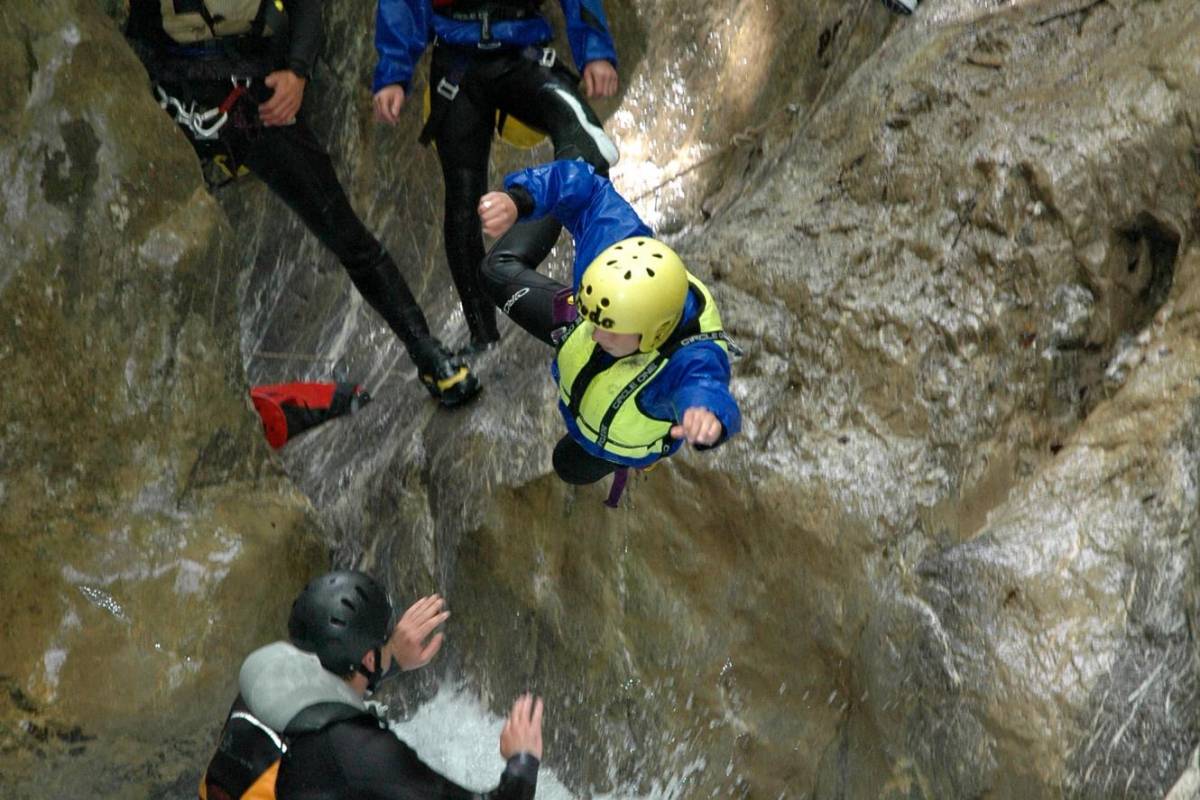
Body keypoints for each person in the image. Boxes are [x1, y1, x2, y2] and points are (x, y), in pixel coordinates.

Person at [124, 0, 480, 408]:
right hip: (175, 95)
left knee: (344, 230)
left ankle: (426, 350)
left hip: (252, 95)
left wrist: (297, 70)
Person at [476, 159, 741, 500]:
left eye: (610, 330)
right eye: (598, 324)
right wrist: (521, 200)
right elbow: (587, 189)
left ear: (655, 334)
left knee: (568, 464)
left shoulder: (684, 361)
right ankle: (578, 136)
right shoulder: (615, 247)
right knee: (494, 272)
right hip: (585, 310)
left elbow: (704, 384)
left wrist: (706, 415)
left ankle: (626, 458)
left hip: (620, 428)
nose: (596, 337)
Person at [372, 0, 621, 357]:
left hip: (521, 55)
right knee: (462, 203)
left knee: (590, 149)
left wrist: (595, 52)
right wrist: (393, 73)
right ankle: (483, 335)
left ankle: (521, 269)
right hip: (457, 67)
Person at [199, 570, 542, 799]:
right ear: (366, 659)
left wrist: (388, 659)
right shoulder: (361, 755)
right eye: (381, 643)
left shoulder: (258, 692)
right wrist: (522, 760)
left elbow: (324, 699)